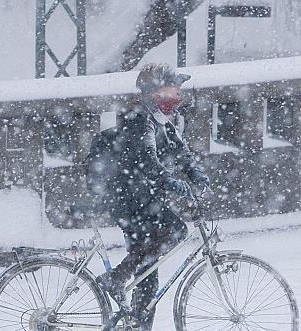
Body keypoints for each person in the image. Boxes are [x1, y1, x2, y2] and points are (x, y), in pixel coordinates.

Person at [95, 63, 210, 330]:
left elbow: (180, 152)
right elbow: (145, 160)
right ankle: (118, 278)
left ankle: (137, 321)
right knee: (174, 232)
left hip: (144, 199)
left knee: (148, 272)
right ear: (154, 90)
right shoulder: (139, 116)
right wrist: (170, 182)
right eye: (173, 88)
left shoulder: (160, 117)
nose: (178, 95)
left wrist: (197, 176)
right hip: (128, 199)